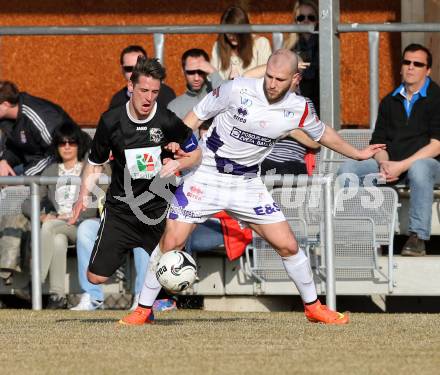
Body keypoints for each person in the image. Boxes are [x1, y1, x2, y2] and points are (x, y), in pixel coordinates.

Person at [120, 49, 385, 326]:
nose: (271, 83)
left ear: (294, 78)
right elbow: (196, 116)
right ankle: (143, 309)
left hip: (246, 183)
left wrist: (357, 153)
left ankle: (313, 307)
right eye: (269, 76)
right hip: (206, 174)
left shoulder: (299, 108)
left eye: (279, 79)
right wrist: (175, 146)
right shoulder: (236, 89)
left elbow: (322, 133)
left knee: (288, 245)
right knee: (172, 241)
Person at [69, 57, 201, 301]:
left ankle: (154, 303)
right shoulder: (110, 121)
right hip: (121, 210)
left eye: (154, 92)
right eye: (143, 90)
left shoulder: (166, 120)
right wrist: (82, 198)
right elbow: (96, 164)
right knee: (95, 277)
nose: (149, 98)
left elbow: (196, 153)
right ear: (131, 87)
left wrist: (178, 162)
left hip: (157, 210)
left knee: (171, 281)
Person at [338, 43, 440, 257]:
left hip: (429, 167)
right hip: (391, 164)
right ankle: (358, 235)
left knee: (420, 168)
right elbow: (379, 142)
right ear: (401, 66)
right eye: (407, 62)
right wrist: (384, 164)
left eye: (418, 64)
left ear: (427, 70)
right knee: (349, 168)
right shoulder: (389, 101)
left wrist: (401, 165)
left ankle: (417, 237)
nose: (411, 67)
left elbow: (436, 145)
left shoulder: (436, 98)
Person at [21, 122, 93, 309]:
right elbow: (28, 202)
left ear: (79, 145)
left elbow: (99, 200)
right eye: (62, 143)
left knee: (50, 228)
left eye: (72, 142)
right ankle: (57, 297)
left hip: (84, 225)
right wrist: (42, 216)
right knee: (58, 238)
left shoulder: (90, 168)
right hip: (60, 225)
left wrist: (74, 214)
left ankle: (34, 283)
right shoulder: (51, 171)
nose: (67, 147)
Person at [0, 80, 77, 176]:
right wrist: (4, 161)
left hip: (66, 167)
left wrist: (24, 177)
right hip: (33, 162)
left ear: (6, 105)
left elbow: (58, 154)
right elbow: (16, 147)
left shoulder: (39, 117)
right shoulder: (6, 119)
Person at [211, 6, 272, 80]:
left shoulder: (261, 44)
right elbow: (213, 80)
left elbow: (266, 74)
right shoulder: (218, 46)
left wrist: (243, 78)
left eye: (235, 33)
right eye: (228, 32)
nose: (232, 37)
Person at [108, 45, 176, 110]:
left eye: (138, 67)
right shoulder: (117, 100)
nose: (134, 72)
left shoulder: (165, 94)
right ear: (122, 70)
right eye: (129, 68)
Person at [283, 0, 320, 114]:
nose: (306, 21)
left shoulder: (325, 43)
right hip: (295, 103)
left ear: (317, 20)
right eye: (301, 18)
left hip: (320, 100)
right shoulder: (289, 45)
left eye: (311, 17)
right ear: (296, 21)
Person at [168, 48, 222, 124]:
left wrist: (213, 72)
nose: (196, 78)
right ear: (183, 71)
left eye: (201, 71)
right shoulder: (174, 107)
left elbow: (232, 99)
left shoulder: (218, 91)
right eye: (191, 72)